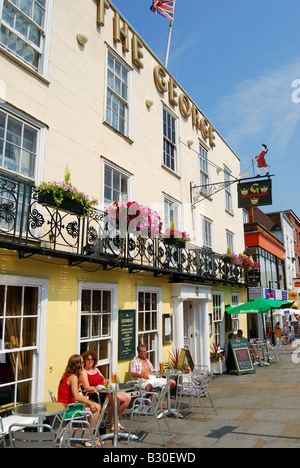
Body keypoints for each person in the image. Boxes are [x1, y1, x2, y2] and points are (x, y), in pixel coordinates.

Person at [57, 354, 102, 446]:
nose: (83, 364)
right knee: (96, 407)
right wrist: (90, 403)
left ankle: (87, 435)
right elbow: (77, 396)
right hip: (67, 410)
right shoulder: (73, 377)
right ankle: (89, 437)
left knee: (93, 405)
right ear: (78, 364)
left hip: (64, 407)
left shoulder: (66, 375)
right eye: (82, 362)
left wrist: (89, 403)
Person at [81, 350, 131, 431]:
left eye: (92, 359)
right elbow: (86, 387)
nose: (90, 361)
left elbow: (104, 381)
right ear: (84, 360)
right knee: (116, 400)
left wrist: (108, 385)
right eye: (88, 359)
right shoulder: (83, 372)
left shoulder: (96, 369)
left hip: (105, 391)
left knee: (127, 397)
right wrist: (97, 388)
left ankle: (115, 419)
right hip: (95, 395)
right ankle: (111, 422)